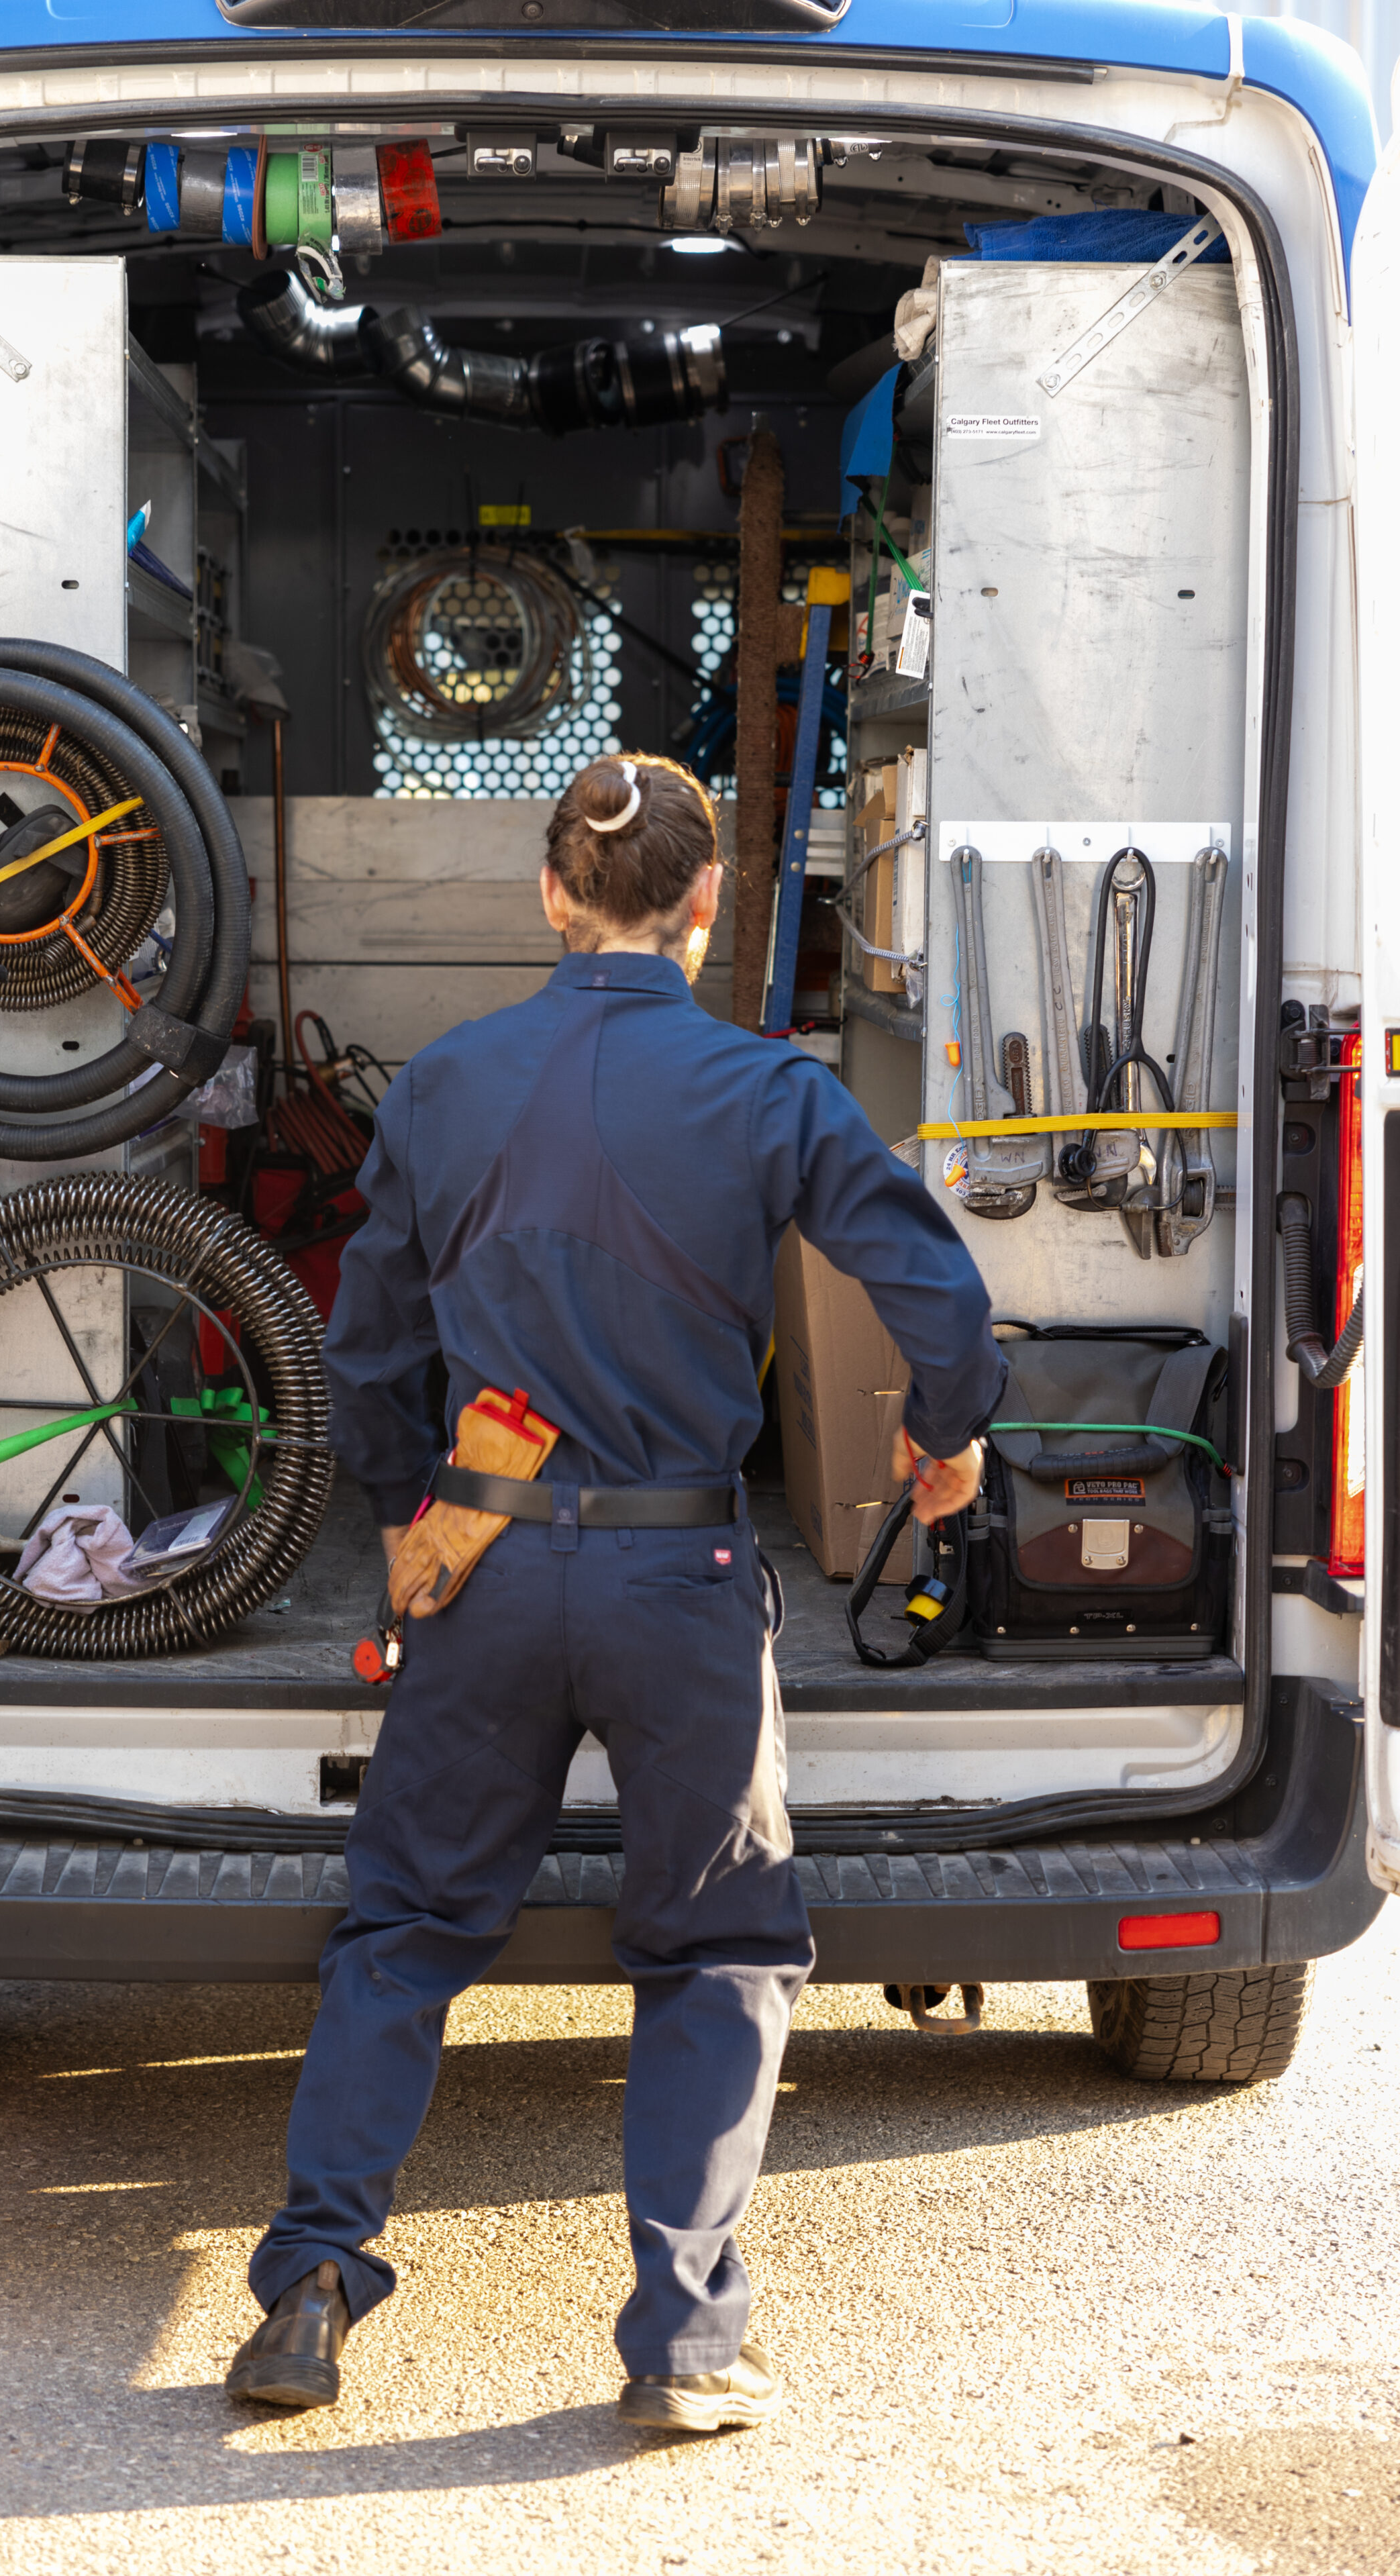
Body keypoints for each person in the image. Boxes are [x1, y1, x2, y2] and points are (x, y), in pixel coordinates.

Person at [228, 752, 1005, 2431]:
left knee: (408, 1921)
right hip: (684, 1574)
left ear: (546, 895)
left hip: (485, 1560)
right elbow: (931, 1283)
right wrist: (944, 1439)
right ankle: (683, 2340)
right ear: (709, 900)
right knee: (719, 1941)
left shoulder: (440, 1086)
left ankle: (307, 2281)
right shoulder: (768, 1089)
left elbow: (365, 1342)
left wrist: (404, 1519)